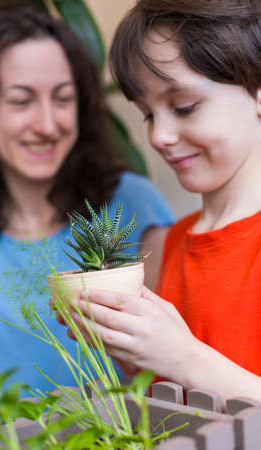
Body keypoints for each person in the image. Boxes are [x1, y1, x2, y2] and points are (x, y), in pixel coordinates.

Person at [0, 3, 175, 398]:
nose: (47, 125)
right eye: (21, 101)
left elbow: (172, 372)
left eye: (63, 99)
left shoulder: (134, 206)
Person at [62, 0, 261, 406]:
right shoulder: (176, 240)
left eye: (184, 106)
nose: (159, 137)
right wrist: (132, 345)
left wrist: (184, 356)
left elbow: (192, 360)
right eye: (148, 115)